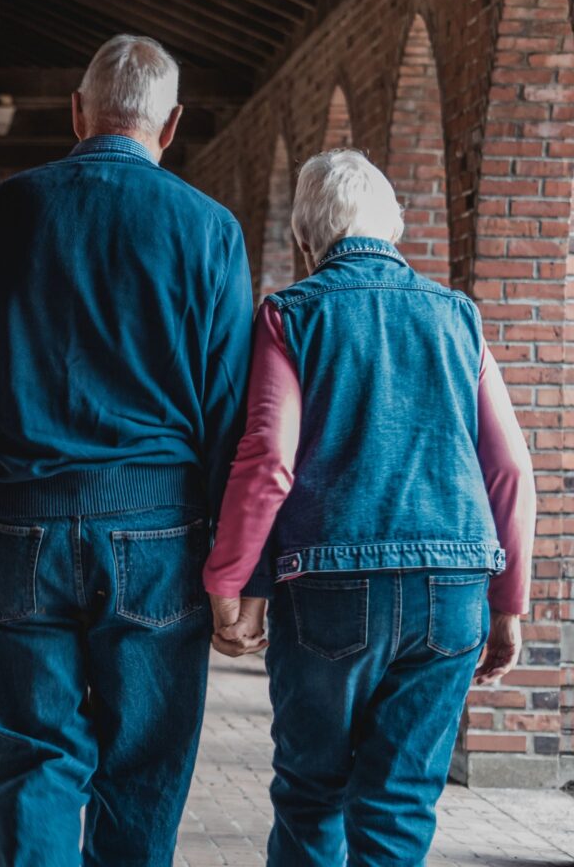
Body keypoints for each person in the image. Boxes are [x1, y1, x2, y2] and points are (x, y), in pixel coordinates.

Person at [0, 34, 254, 866]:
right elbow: (231, 413)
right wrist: (234, 569)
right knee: (144, 769)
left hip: (8, 525)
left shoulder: (5, 210)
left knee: (32, 763)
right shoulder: (209, 229)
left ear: (76, 111)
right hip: (156, 534)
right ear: (170, 125)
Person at [203, 149, 536, 866]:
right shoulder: (458, 317)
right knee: (401, 801)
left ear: (303, 240)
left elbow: (268, 459)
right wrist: (508, 600)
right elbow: (508, 467)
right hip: (453, 591)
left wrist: (231, 580)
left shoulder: (290, 316)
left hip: (329, 589)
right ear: (397, 229)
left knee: (312, 793)